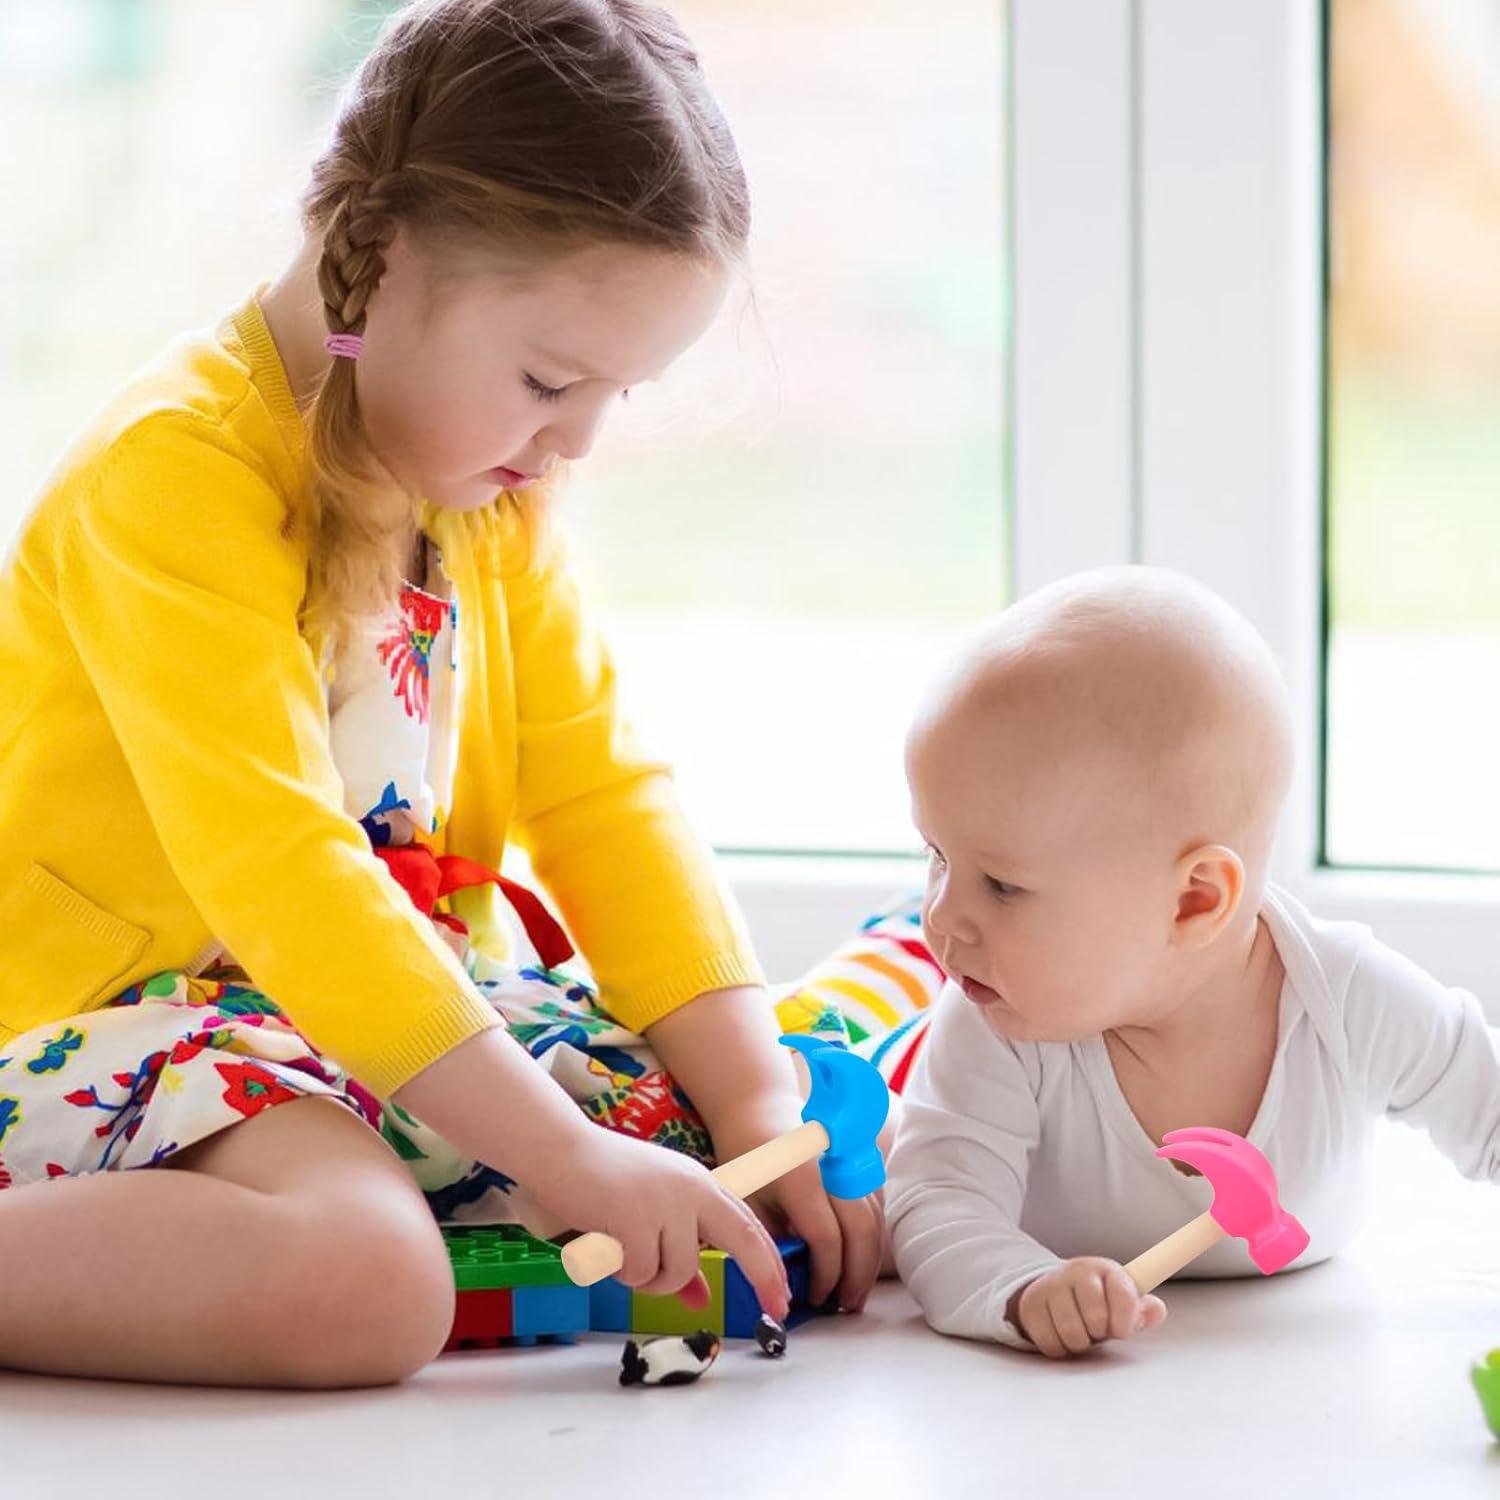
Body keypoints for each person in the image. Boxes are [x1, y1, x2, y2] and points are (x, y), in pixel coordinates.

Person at [0, 0, 884, 1389]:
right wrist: (564, 1151)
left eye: (620, 396)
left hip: (385, 1011)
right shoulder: (171, 477)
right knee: (365, 1284)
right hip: (142, 1019)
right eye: (549, 379)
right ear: (385, 260)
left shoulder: (486, 487)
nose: (579, 439)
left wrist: (757, 1100)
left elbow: (604, 794)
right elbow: (284, 874)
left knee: (741, 1148)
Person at [883, 565, 1500, 1359]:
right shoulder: (996, 1017)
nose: (942, 917)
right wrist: (1023, 1286)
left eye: (1001, 885)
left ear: (1194, 901)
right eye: (936, 856)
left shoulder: (1343, 997)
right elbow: (936, 1200)